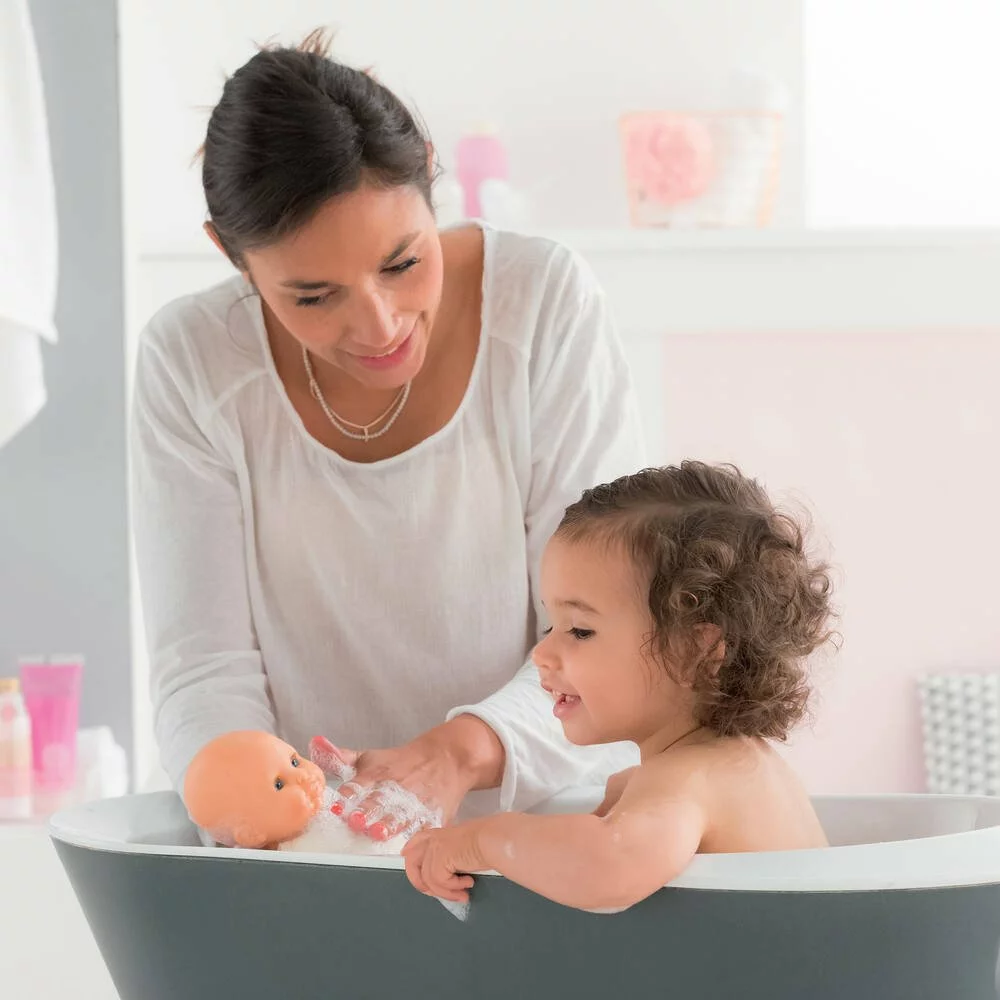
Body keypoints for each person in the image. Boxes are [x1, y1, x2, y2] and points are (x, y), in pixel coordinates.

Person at [130, 30, 645, 840]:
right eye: (313, 296)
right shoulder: (192, 360)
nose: (379, 326)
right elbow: (202, 668)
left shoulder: (542, 304)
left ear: (429, 174)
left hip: (542, 833)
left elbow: (603, 631)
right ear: (230, 255)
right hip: (308, 843)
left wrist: (460, 753)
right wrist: (260, 812)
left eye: (403, 264)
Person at [403, 462, 836, 910]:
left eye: (580, 630)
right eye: (552, 625)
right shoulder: (737, 766)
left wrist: (484, 839)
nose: (542, 654)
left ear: (696, 651)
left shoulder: (686, 779)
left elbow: (607, 867)